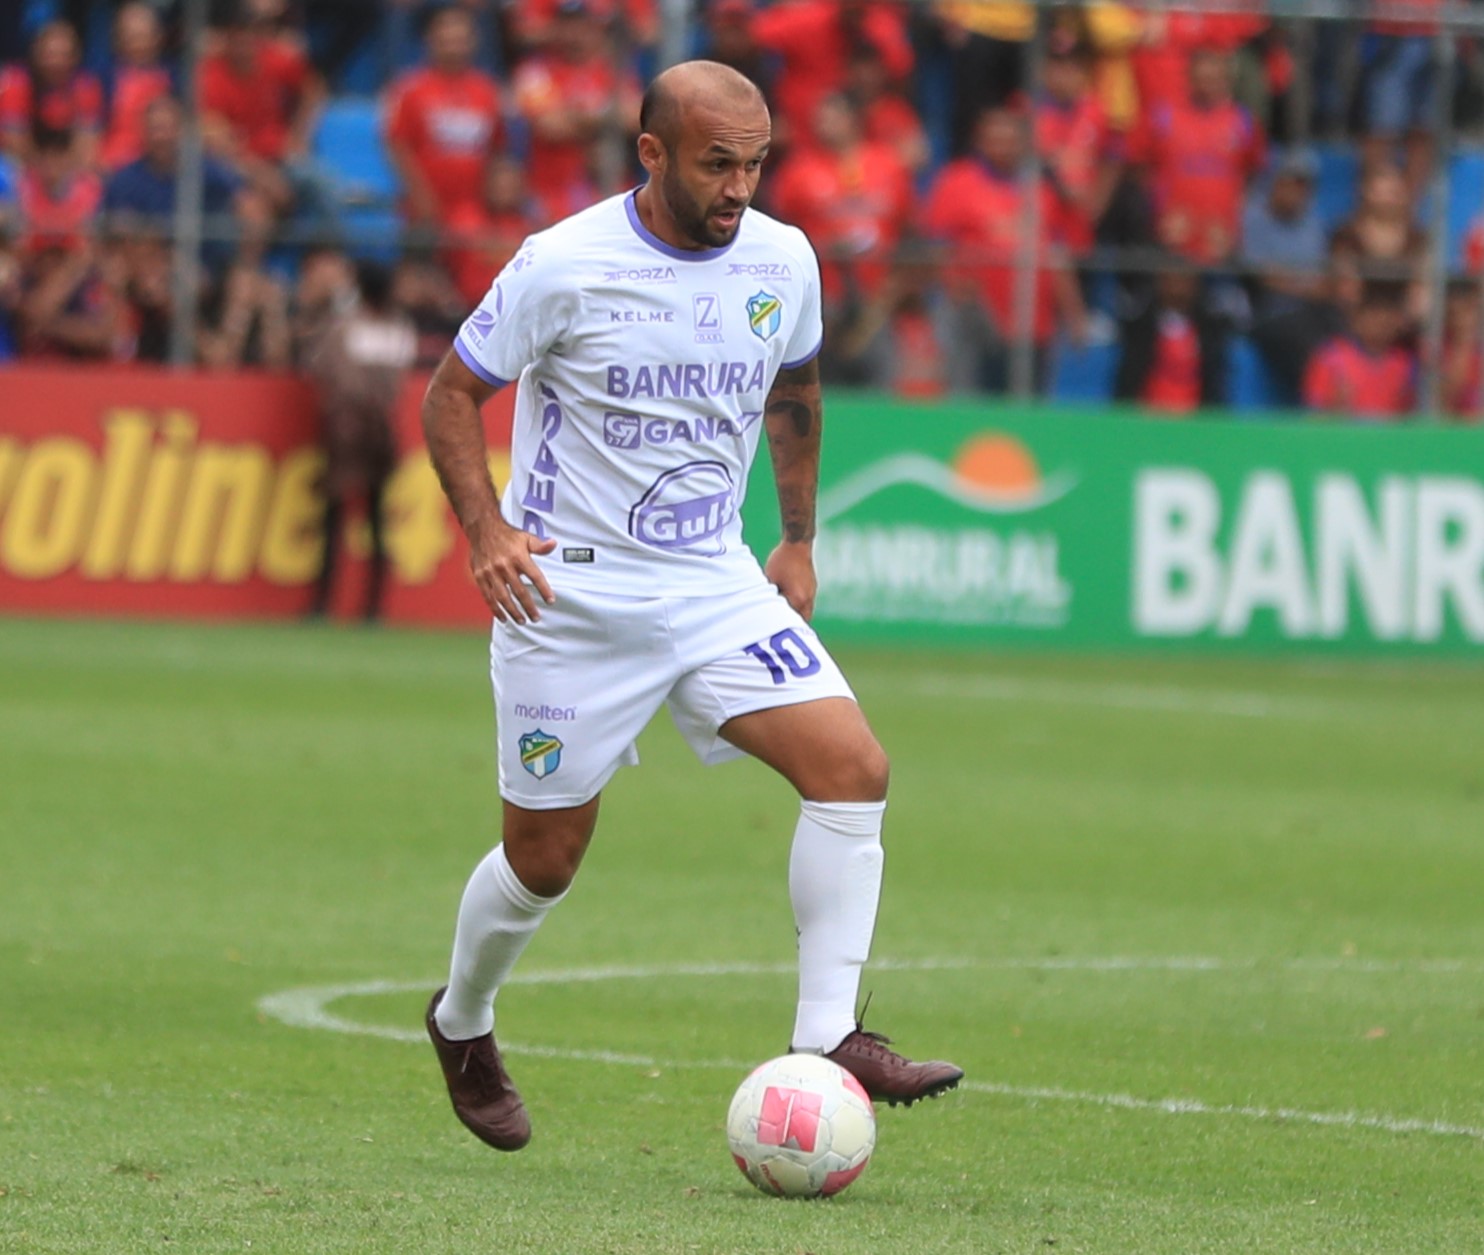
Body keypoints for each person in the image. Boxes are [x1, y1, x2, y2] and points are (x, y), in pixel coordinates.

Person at [419, 59, 963, 1153]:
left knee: (852, 768)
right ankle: (462, 1018)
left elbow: (795, 392)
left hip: (714, 580)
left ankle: (828, 1037)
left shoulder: (782, 257)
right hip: (571, 596)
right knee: (545, 856)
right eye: (718, 164)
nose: (739, 188)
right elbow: (451, 395)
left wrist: (797, 540)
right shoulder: (564, 263)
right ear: (652, 153)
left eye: (756, 164)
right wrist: (485, 530)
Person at [304, 259, 417, 621]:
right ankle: (373, 606)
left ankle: (323, 603)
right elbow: (399, 377)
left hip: (347, 428)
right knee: (376, 517)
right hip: (381, 427)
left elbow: (323, 368)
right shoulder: (400, 329)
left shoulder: (345, 327)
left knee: (334, 517)